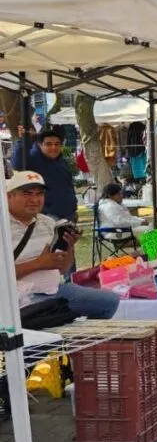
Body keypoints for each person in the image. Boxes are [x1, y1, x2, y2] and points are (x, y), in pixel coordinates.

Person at [8, 171, 119, 319]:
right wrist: (37, 264)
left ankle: (88, 340)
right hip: (20, 299)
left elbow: (63, 269)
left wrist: (69, 246)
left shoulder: (48, 223)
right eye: (27, 194)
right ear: (9, 196)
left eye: (39, 194)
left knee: (110, 301)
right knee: (49, 318)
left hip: (56, 290)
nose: (34, 199)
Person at [20, 129, 77, 223]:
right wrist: (23, 140)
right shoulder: (34, 159)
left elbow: (69, 185)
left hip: (69, 215)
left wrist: (74, 207)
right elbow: (18, 163)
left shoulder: (62, 161)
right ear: (40, 145)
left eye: (57, 144)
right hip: (49, 216)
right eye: (48, 144)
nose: (53, 147)